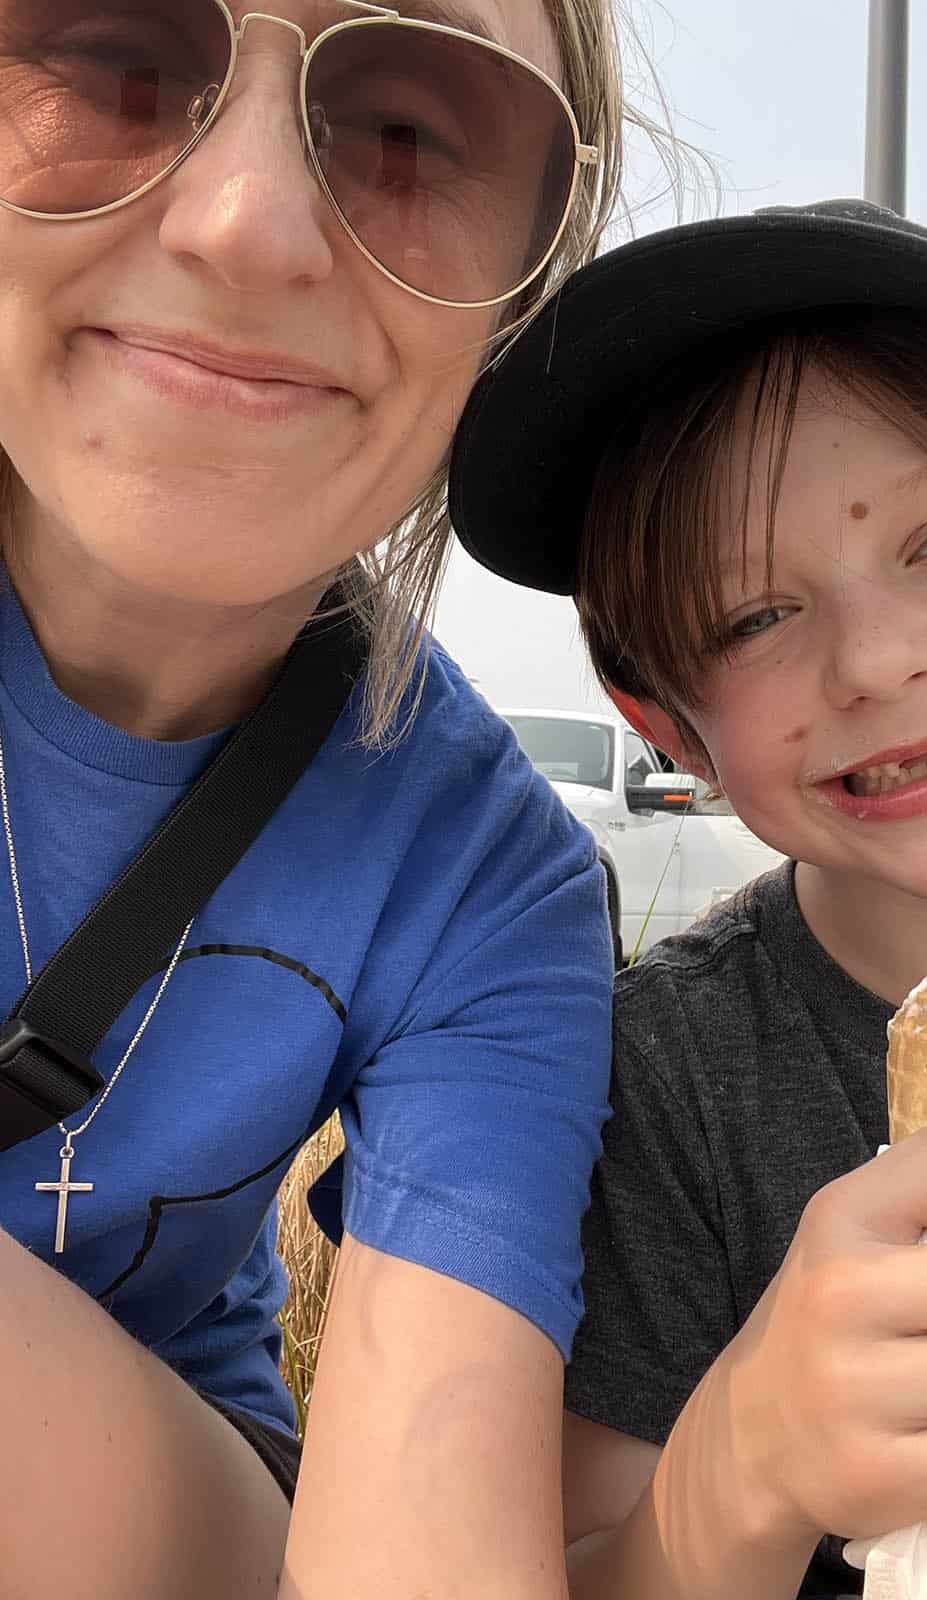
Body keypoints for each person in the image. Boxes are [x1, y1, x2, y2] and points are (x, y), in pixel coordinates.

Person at [448, 199, 927, 1598]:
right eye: (752, 617)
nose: (878, 659)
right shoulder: (652, 1089)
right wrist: (753, 1456)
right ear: (660, 714)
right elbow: (585, 1563)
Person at [0, 1, 644, 1595]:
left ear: (515, 302)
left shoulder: (489, 877)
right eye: (110, 64)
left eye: (412, 137)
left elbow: (428, 1542)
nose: (247, 228)